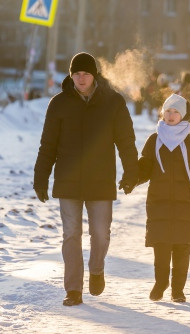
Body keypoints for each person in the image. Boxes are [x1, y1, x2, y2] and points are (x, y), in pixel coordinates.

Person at [33, 52, 140, 307]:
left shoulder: (113, 102)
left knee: (100, 234)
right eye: (76, 73)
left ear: (95, 75)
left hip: (100, 179)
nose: (81, 78)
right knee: (71, 234)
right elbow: (47, 144)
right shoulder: (58, 104)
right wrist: (41, 176)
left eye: (86, 73)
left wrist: (131, 172)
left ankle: (97, 268)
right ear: (71, 75)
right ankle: (73, 289)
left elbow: (126, 141)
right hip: (68, 179)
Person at [138, 94, 190, 302]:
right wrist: (130, 180)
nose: (171, 115)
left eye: (175, 111)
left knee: (182, 248)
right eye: (167, 111)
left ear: (182, 115)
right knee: (161, 247)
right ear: (162, 113)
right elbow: (145, 167)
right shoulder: (154, 140)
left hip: (187, 204)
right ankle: (161, 282)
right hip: (159, 203)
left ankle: (177, 290)